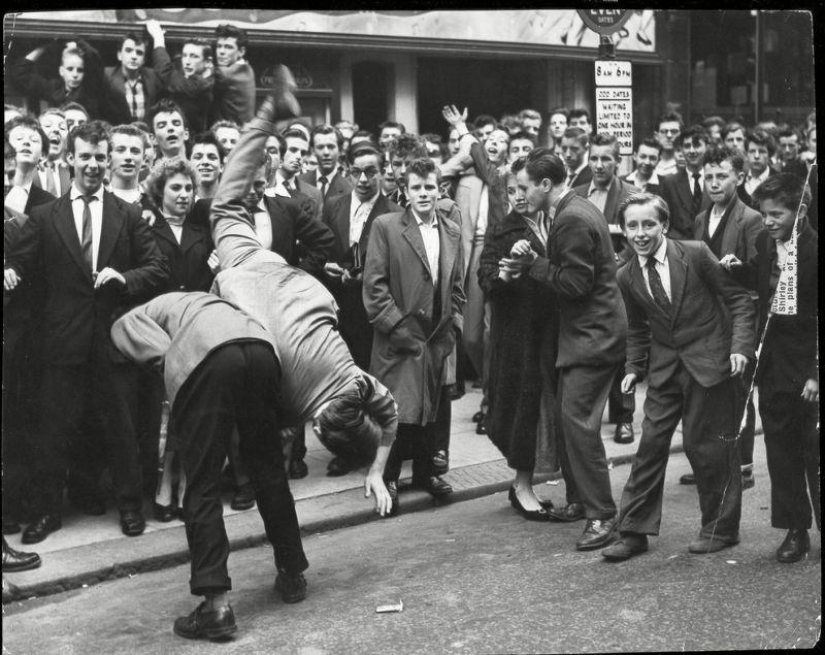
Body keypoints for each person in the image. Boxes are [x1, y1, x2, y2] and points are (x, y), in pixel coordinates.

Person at [205, 67, 396, 513]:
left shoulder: (363, 385)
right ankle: (269, 111)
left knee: (225, 203)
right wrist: (374, 470)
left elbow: (389, 425)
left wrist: (375, 463)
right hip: (255, 281)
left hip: (284, 286)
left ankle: (269, 113)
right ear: (323, 430)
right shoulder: (295, 405)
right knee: (226, 206)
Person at [3, 121, 170, 543]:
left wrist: (123, 277)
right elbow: (21, 262)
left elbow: (157, 269)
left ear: (109, 158)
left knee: (121, 427)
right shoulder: (45, 216)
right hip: (61, 341)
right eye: (86, 157)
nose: (93, 165)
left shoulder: (127, 214)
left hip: (112, 340)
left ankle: (131, 507)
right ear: (69, 159)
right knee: (54, 429)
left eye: (100, 157)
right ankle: (46, 512)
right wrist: (9, 270)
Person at [110, 292, 307, 640]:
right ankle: (292, 574)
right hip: (259, 348)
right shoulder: (206, 301)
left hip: (208, 356)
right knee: (269, 469)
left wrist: (167, 363)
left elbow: (126, 329)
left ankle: (216, 607)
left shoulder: (145, 310)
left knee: (201, 482)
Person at [602, 193, 755, 562]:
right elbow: (638, 327)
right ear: (623, 230)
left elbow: (738, 301)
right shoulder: (626, 274)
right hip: (666, 368)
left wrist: (739, 348)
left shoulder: (697, 253)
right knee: (650, 446)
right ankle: (634, 531)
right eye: (632, 226)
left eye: (648, 224)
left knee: (707, 448)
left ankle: (720, 528)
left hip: (710, 362)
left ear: (664, 225)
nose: (640, 233)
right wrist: (633, 368)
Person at [509, 147, 626, 551]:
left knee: (577, 423)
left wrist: (534, 266)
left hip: (593, 337)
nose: (521, 194)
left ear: (545, 184)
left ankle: (602, 514)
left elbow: (577, 284)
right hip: (589, 334)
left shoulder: (571, 218)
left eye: (525, 187)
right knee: (569, 420)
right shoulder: (576, 206)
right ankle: (581, 501)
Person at [721, 174, 819, 563]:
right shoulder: (765, 242)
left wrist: (815, 371)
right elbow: (765, 280)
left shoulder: (815, 251)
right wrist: (737, 269)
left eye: (777, 214)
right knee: (780, 449)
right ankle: (795, 530)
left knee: (815, 450)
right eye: (764, 214)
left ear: (802, 211)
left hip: (808, 367)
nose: (768, 221)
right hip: (774, 366)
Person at [363, 157, 465, 508]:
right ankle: (389, 476)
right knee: (396, 408)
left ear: (440, 190)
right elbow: (374, 288)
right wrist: (397, 327)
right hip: (400, 337)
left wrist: (454, 326)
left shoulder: (451, 230)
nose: (424, 193)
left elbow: (458, 286)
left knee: (431, 408)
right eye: (416, 187)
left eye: (430, 187)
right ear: (405, 191)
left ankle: (427, 472)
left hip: (437, 337)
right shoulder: (386, 226)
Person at [477, 157, 558, 519]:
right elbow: (486, 277)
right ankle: (522, 486)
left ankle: (540, 481)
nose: (518, 196)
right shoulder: (502, 230)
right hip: (520, 335)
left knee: (551, 408)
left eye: (523, 188)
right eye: (511, 190)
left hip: (554, 330)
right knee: (524, 409)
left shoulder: (554, 221)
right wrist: (507, 273)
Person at [683, 145, 763, 489]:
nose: (714, 183)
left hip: (740, 315)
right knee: (713, 391)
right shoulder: (702, 219)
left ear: (740, 177)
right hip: (708, 317)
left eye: (722, 176)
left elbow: (762, 274)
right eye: (708, 176)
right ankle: (714, 462)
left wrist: (740, 268)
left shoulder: (751, 218)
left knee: (738, 389)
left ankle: (742, 466)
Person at [321, 142, 401, 476]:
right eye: (357, 171)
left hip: (373, 308)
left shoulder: (392, 212)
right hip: (341, 305)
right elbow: (321, 245)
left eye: (372, 171)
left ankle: (380, 447)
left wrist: (363, 275)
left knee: (374, 376)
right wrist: (328, 266)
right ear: (347, 170)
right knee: (342, 377)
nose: (364, 179)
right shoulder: (333, 205)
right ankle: (347, 447)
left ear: (382, 172)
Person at [573, 132, 640, 444]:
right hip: (586, 285)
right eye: (595, 158)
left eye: (606, 159)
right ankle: (591, 417)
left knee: (623, 352)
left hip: (619, 284)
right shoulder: (577, 194)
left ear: (618, 161)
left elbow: (636, 240)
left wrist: (616, 262)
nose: (599, 165)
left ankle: (624, 417)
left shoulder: (630, 195)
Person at [9, 39, 105, 120]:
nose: (75, 74)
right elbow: (19, 74)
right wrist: (43, 47)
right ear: (61, 71)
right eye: (70, 69)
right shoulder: (54, 88)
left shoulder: (90, 89)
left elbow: (95, 58)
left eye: (80, 70)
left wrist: (77, 41)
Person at [147, 20, 214, 135]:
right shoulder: (199, 75)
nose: (187, 62)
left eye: (194, 57)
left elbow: (165, 72)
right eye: (185, 55)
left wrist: (158, 38)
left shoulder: (201, 85)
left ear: (208, 62)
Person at [658, 125, 712, 240]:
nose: (692, 151)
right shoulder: (670, 183)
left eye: (697, 145)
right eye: (687, 146)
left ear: (707, 147)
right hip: (679, 250)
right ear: (681, 149)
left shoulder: (716, 179)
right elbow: (663, 222)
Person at [103, 31, 166, 124]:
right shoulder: (107, 75)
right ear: (119, 55)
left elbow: (166, 72)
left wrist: (158, 38)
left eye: (139, 53)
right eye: (128, 50)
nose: (134, 56)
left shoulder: (152, 77)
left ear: (144, 59)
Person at [210, 24, 255, 126]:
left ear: (241, 51)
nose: (221, 52)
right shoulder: (247, 69)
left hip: (233, 137)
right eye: (219, 46)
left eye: (228, 47)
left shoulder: (225, 74)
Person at [300, 125, 353, 201]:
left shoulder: (349, 189)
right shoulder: (300, 182)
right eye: (320, 147)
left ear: (340, 150)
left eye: (331, 147)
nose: (326, 152)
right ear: (312, 151)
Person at [107, 124, 148, 205]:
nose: (128, 157)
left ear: (144, 159)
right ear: (108, 157)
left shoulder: (155, 202)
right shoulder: (98, 200)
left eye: (135, 151)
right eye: (120, 150)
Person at [36, 110, 72, 197]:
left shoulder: (73, 176)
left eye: (62, 128)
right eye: (48, 125)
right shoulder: (25, 168)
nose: (56, 130)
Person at [740, 130, 778, 208]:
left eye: (762, 151)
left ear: (769, 155)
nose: (756, 156)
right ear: (746, 154)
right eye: (752, 151)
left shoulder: (779, 181)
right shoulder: (739, 182)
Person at [189, 132, 225, 199]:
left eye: (212, 157)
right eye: (198, 157)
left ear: (221, 166)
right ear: (189, 164)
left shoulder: (231, 205)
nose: (205, 162)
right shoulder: (182, 206)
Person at [653, 111, 684, 177]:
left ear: (681, 135)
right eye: (664, 132)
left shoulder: (686, 164)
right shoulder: (650, 162)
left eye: (674, 131)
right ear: (656, 136)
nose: (669, 135)